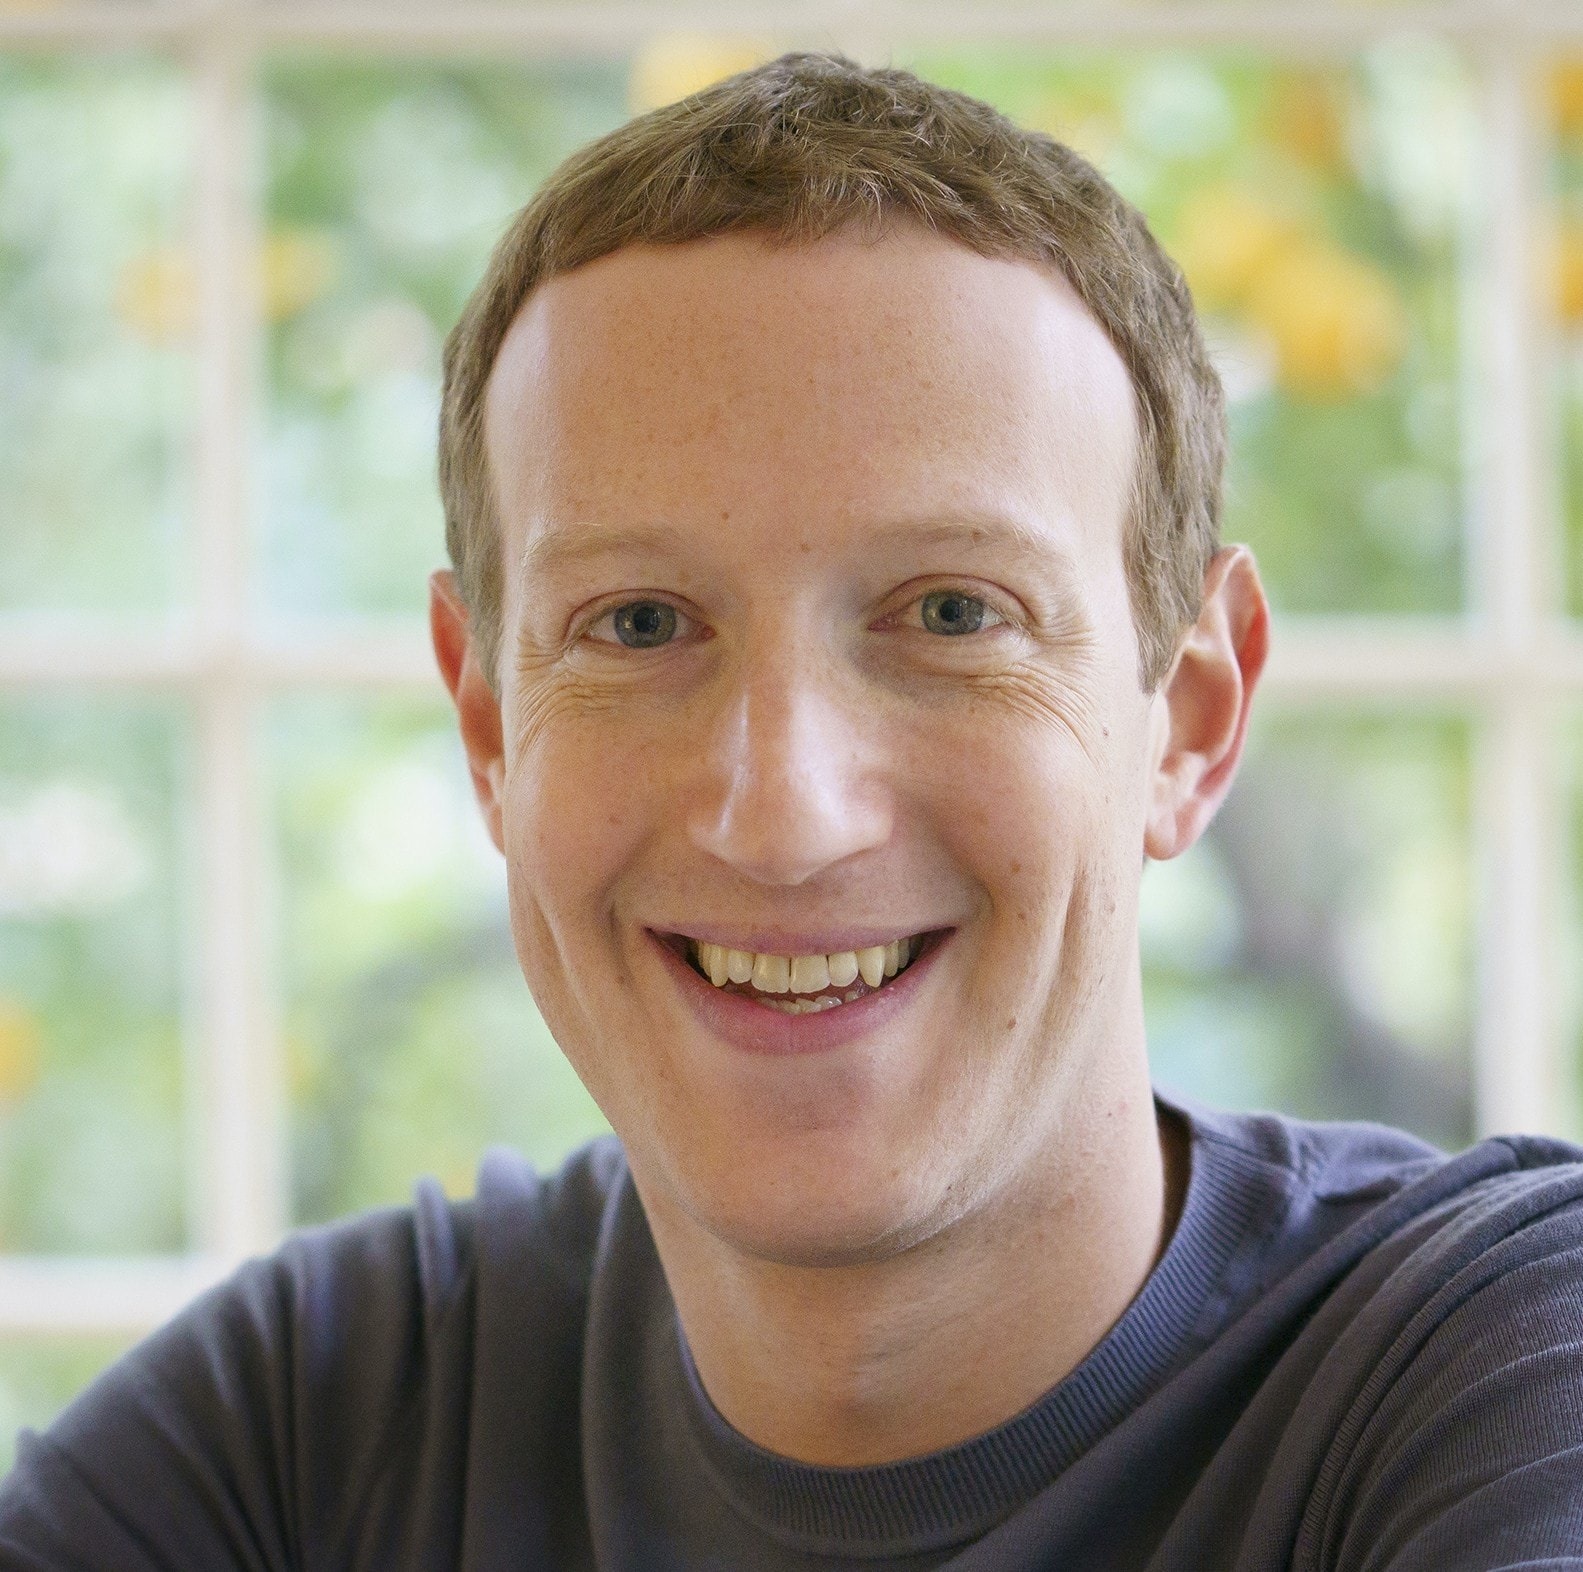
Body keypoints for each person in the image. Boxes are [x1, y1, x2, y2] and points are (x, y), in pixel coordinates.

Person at [3, 51, 1581, 1572]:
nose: (782, 817)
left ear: (1189, 716)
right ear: (488, 728)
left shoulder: (1507, 1377)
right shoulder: (317, 1427)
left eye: (952, 613)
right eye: (637, 624)